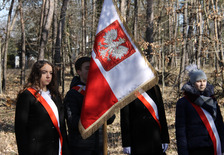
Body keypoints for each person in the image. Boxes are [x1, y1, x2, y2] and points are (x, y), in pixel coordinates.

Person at [15, 60, 69, 155]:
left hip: (56, 148)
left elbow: (62, 125)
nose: (48, 76)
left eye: (51, 73)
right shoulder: (27, 95)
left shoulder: (55, 95)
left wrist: (66, 149)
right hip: (36, 149)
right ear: (36, 74)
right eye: (44, 72)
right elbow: (20, 128)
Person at [64, 56, 115, 155]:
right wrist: (94, 116)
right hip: (81, 147)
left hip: (100, 144)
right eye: (87, 68)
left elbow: (110, 119)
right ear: (79, 71)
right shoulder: (72, 94)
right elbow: (72, 121)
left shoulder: (100, 92)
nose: (91, 70)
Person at [175, 65, 224, 155]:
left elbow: (220, 124)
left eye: (204, 81)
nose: (202, 84)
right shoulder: (183, 103)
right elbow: (181, 130)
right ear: (193, 83)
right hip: (195, 148)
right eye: (198, 81)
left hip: (213, 146)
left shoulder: (212, 99)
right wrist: (183, 152)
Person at [120, 85, 170, 155]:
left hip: (155, 138)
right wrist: (126, 143)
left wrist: (165, 138)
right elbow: (125, 118)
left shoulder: (154, 87)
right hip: (137, 140)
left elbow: (161, 113)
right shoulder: (128, 89)